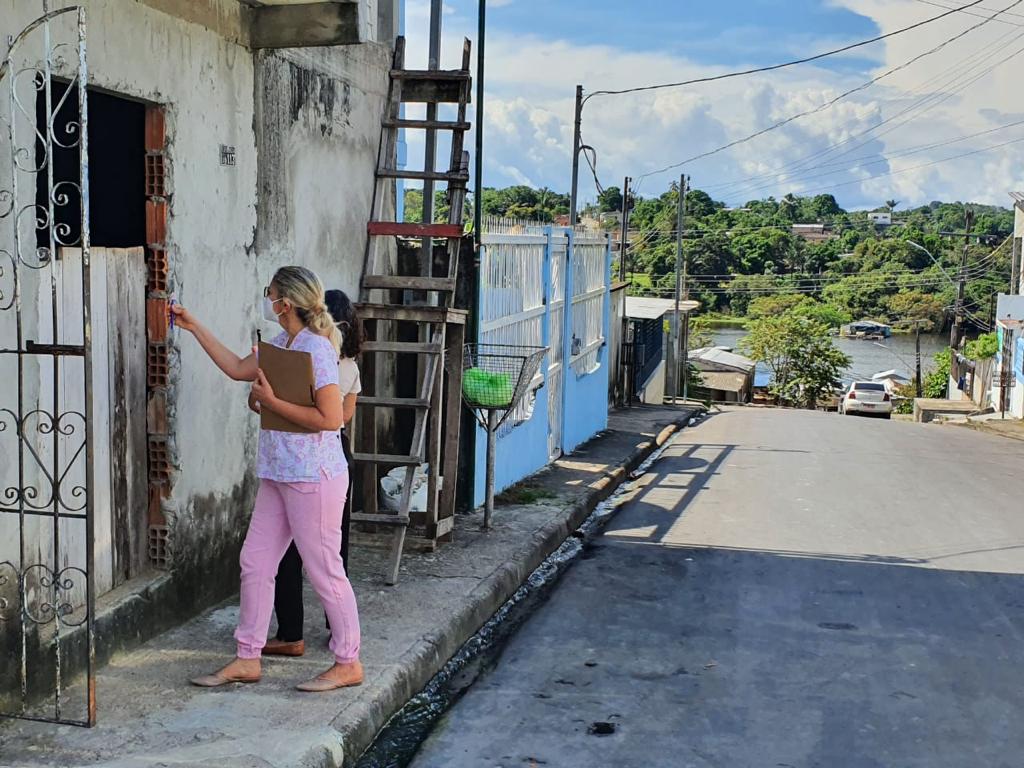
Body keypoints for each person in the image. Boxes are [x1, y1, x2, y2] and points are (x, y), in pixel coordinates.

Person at [172, 266, 362, 692]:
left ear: (286, 303)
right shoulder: (280, 344)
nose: (267, 299)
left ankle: (348, 661)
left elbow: (330, 419)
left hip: (313, 477)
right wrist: (193, 326)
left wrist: (271, 400)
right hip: (278, 473)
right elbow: (238, 368)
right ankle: (246, 657)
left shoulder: (316, 349)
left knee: (325, 570)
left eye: (270, 293)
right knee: (255, 563)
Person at [263, 289, 362, 657]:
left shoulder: (305, 357)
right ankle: (336, 634)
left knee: (290, 557)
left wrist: (283, 405)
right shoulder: (347, 365)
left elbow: (332, 416)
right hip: (335, 456)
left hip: (310, 461)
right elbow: (344, 417)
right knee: (334, 554)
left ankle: (291, 633)